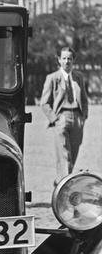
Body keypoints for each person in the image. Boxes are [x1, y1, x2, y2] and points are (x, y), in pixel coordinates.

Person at [41, 47, 89, 184]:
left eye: (69, 58)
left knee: (73, 155)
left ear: (73, 60)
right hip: (61, 117)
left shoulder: (79, 77)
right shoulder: (52, 78)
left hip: (77, 119)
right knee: (64, 156)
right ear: (59, 60)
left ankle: (60, 181)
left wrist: (83, 116)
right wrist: (55, 119)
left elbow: (84, 99)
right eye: (64, 58)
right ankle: (65, 186)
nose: (67, 61)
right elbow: (44, 103)